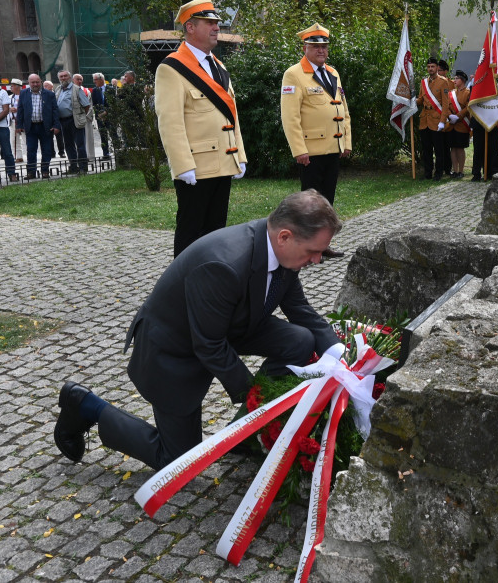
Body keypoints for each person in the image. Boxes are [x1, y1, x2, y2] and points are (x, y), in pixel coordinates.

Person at [53, 190, 346, 470]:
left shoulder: (282, 253)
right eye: (314, 251)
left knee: (300, 340)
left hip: (226, 325)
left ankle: (242, 434)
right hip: (174, 346)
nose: (318, 260)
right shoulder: (225, 264)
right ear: (285, 236)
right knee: (177, 462)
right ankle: (85, 406)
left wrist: (342, 357)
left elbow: (301, 311)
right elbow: (209, 344)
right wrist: (256, 397)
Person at [155, 0, 248, 257]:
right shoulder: (171, 68)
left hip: (223, 161)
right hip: (196, 168)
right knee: (190, 233)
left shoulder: (218, 66)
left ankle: (209, 281)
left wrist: (239, 154)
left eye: (216, 22)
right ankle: (182, 286)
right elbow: (170, 122)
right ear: (190, 27)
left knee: (216, 232)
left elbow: (231, 114)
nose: (216, 27)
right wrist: (182, 165)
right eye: (208, 22)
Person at [280, 23, 352, 259]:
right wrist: (299, 150)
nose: (321, 50)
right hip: (310, 152)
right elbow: (290, 117)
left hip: (333, 148)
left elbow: (344, 109)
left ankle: (322, 245)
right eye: (316, 46)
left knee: (327, 201)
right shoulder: (294, 74)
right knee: (309, 203)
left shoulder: (333, 73)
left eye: (324, 46)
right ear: (305, 47)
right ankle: (304, 247)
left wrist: (346, 142)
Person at [18, 74, 59, 179]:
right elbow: (20, 110)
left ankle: (45, 171)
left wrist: (56, 125)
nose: (35, 84)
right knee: (31, 150)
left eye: (37, 82)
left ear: (41, 82)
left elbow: (55, 110)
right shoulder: (23, 93)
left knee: (47, 150)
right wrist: (19, 125)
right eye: (33, 82)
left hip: (46, 126)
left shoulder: (49, 94)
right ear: (29, 83)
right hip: (30, 127)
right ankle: (31, 172)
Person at [415, 58, 449, 181]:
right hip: (425, 119)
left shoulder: (443, 82)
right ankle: (427, 173)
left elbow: (446, 104)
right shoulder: (423, 82)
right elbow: (420, 99)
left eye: (433, 66)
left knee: (439, 149)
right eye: (429, 66)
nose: (430, 69)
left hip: (436, 119)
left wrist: (442, 121)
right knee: (426, 149)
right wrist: (413, 101)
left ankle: (438, 173)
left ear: (436, 68)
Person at [56, 70, 92, 174]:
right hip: (63, 121)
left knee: (80, 145)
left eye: (65, 76)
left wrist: (80, 116)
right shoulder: (58, 89)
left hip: (74, 120)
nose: (63, 78)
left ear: (70, 78)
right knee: (68, 145)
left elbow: (86, 105)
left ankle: (83, 167)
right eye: (61, 76)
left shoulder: (76, 89)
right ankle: (73, 166)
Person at [446, 70, 471, 178]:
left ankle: (461, 171)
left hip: (462, 124)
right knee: (453, 148)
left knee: (460, 148)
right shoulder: (451, 93)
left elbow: (468, 106)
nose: (454, 80)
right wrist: (449, 115)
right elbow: (445, 106)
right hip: (452, 125)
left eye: (457, 78)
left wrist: (459, 116)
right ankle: (455, 171)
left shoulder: (468, 92)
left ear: (463, 80)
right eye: (454, 78)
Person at [91, 72, 113, 160]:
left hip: (110, 116)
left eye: (96, 79)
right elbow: (95, 104)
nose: (94, 81)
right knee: (103, 136)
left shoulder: (111, 89)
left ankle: (118, 153)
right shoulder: (95, 90)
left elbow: (113, 103)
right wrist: (99, 115)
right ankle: (106, 154)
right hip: (100, 117)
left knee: (113, 134)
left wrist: (107, 112)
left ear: (101, 79)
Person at [7, 79, 25, 162]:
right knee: (14, 139)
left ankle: (30, 155)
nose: (11, 87)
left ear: (18, 87)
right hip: (13, 121)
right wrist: (9, 109)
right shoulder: (10, 97)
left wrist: (18, 109)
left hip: (23, 121)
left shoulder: (24, 96)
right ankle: (19, 156)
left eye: (12, 86)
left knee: (26, 138)